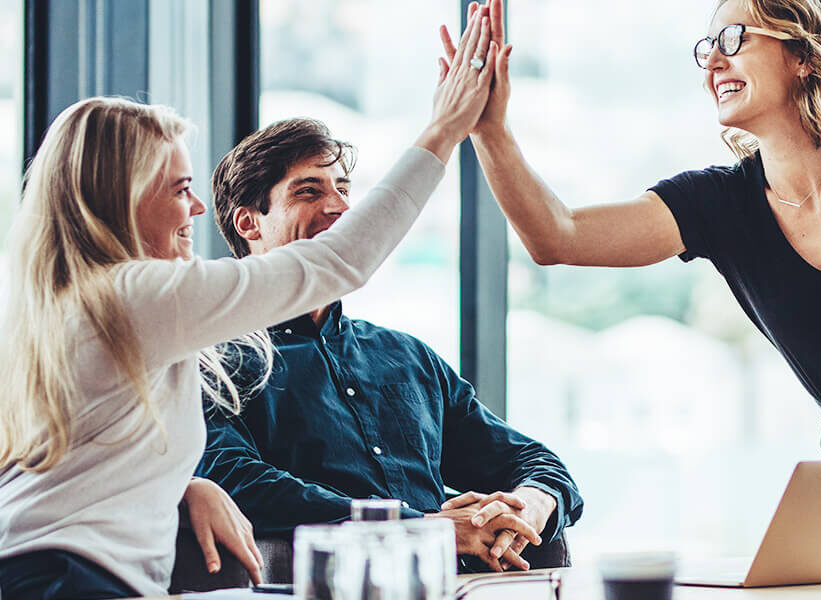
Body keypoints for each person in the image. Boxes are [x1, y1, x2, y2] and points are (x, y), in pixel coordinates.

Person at [0, 13, 497, 599]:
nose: (198, 210)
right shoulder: (132, 295)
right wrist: (443, 131)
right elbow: (338, 262)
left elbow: (81, 459)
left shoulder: (67, 306)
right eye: (179, 190)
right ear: (124, 196)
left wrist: (187, 486)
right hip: (72, 582)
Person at [450, 0, 821, 463]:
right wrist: (490, 131)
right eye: (706, 47)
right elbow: (557, 237)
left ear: (805, 55)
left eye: (734, 38)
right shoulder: (718, 204)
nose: (712, 60)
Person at [197, 116, 583, 574]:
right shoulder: (214, 360)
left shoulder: (407, 357)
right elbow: (235, 479)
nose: (340, 207)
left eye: (342, 188)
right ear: (249, 223)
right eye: (309, 191)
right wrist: (419, 528)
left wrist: (529, 505)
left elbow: (532, 460)